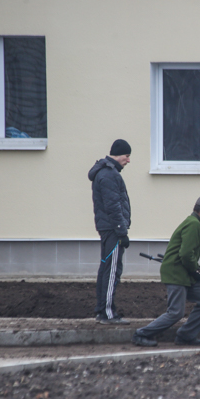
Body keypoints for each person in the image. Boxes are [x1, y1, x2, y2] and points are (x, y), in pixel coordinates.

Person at [132, 196, 200, 347]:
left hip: (186, 272)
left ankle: (186, 336)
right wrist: (194, 270)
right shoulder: (193, 224)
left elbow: (188, 253)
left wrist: (195, 270)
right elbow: (185, 254)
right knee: (175, 312)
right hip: (176, 273)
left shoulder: (197, 224)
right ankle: (141, 334)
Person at [88, 139, 133, 325]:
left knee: (106, 269)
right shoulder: (109, 175)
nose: (128, 160)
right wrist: (122, 232)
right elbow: (113, 206)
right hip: (113, 231)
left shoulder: (105, 172)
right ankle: (107, 313)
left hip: (108, 229)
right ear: (118, 154)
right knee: (112, 271)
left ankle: (102, 311)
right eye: (127, 156)